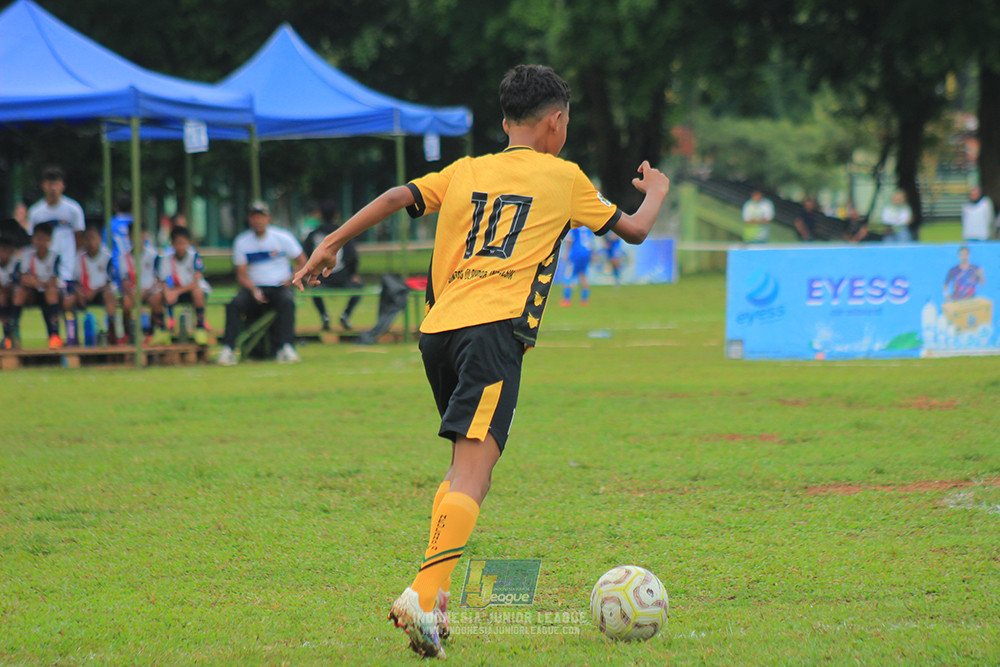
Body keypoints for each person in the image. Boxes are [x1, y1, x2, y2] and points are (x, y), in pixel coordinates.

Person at [292, 64, 670, 659]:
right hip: (493, 333)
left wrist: (333, 241)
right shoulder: (565, 176)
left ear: (503, 122)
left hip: (438, 332)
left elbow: (399, 196)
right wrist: (658, 193)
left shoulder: (468, 170)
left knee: (463, 469)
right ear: (556, 122)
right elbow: (636, 230)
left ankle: (432, 608)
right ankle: (424, 590)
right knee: (474, 472)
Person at [217, 201, 306, 365]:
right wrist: (253, 290)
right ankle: (228, 349)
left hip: (280, 286)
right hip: (253, 288)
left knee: (287, 302)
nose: (258, 220)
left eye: (261, 216)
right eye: (254, 217)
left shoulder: (283, 237)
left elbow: (302, 262)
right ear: (249, 219)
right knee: (234, 305)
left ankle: (286, 347)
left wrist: (291, 279)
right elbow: (241, 274)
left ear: (268, 218)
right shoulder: (242, 242)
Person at [301, 198, 363, 331]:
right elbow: (352, 256)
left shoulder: (313, 235)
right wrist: (353, 274)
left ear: (319, 214)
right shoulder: (344, 232)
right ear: (337, 214)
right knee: (359, 286)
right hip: (342, 278)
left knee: (313, 287)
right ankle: (345, 315)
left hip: (320, 279)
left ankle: (324, 316)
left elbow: (305, 256)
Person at [27, 166, 85, 286]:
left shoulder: (73, 209)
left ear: (62, 186)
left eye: (56, 184)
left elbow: (79, 238)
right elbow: (33, 239)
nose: (53, 188)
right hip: (44, 268)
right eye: (49, 184)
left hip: (67, 265)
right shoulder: (36, 212)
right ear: (43, 185)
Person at [151, 226, 211, 342]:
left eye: (183, 243)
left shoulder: (194, 256)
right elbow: (161, 280)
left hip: (189, 291)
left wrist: (175, 292)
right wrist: (168, 292)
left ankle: (200, 327)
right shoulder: (166, 257)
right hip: (173, 291)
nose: (181, 247)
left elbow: (196, 281)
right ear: (172, 244)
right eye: (178, 243)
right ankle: (161, 329)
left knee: (197, 292)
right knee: (157, 296)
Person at [11, 223, 66, 349]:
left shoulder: (54, 257)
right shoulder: (27, 256)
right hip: (32, 293)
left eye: (43, 238)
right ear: (32, 239)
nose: (40, 242)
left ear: (49, 240)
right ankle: (12, 334)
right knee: (20, 292)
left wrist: (37, 282)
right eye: (37, 238)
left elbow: (53, 281)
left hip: (49, 293)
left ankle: (54, 336)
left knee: (51, 291)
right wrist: (38, 283)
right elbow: (23, 278)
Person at [70, 223, 118, 341]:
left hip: (100, 291)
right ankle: (72, 336)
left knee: (109, 295)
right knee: (68, 300)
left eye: (93, 238)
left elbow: (109, 280)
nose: (91, 242)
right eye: (87, 238)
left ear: (100, 239)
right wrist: (79, 292)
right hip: (84, 292)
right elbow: (74, 280)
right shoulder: (79, 257)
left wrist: (94, 291)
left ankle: (112, 334)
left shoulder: (107, 257)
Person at [561, 225, 595, 305]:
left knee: (568, 275)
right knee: (583, 275)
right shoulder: (588, 227)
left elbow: (569, 240)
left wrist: (565, 253)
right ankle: (584, 300)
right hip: (586, 253)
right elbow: (591, 241)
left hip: (576, 253)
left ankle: (566, 300)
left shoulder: (574, 227)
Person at [0, 231, 21, 349]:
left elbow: (17, 283)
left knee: (14, 295)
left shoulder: (16, 263)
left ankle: (12, 326)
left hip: (13, 296)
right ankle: (7, 334)